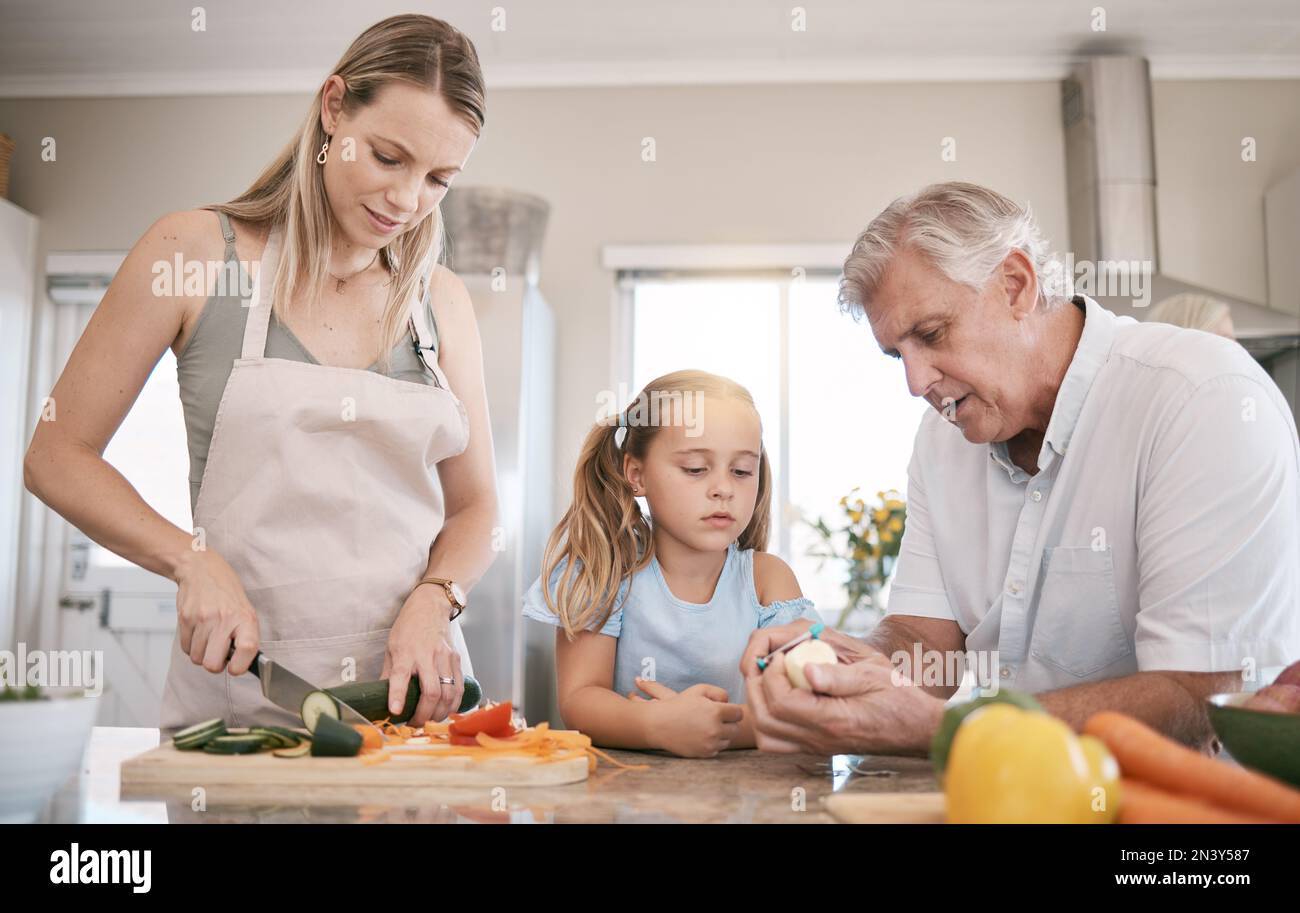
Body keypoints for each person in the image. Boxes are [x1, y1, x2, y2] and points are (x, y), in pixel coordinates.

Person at [23, 14, 500, 728]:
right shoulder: (191, 252)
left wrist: (439, 595)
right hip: (241, 707)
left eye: (438, 178)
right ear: (334, 106)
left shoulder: (441, 304)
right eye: (388, 157)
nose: (407, 200)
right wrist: (188, 560)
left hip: (413, 711)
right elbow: (56, 454)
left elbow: (478, 510)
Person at [742, 181, 1299, 755]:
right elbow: (925, 640)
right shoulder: (940, 441)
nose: (915, 383)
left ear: (1015, 285)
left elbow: (1199, 696)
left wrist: (948, 728)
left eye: (931, 335)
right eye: (896, 355)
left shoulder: (1202, 398)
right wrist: (844, 668)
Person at [523, 370, 822, 757]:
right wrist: (656, 727)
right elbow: (580, 700)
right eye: (696, 468)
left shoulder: (768, 580)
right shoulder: (605, 572)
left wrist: (715, 729)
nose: (723, 488)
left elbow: (803, 704)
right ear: (637, 475)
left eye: (742, 471)